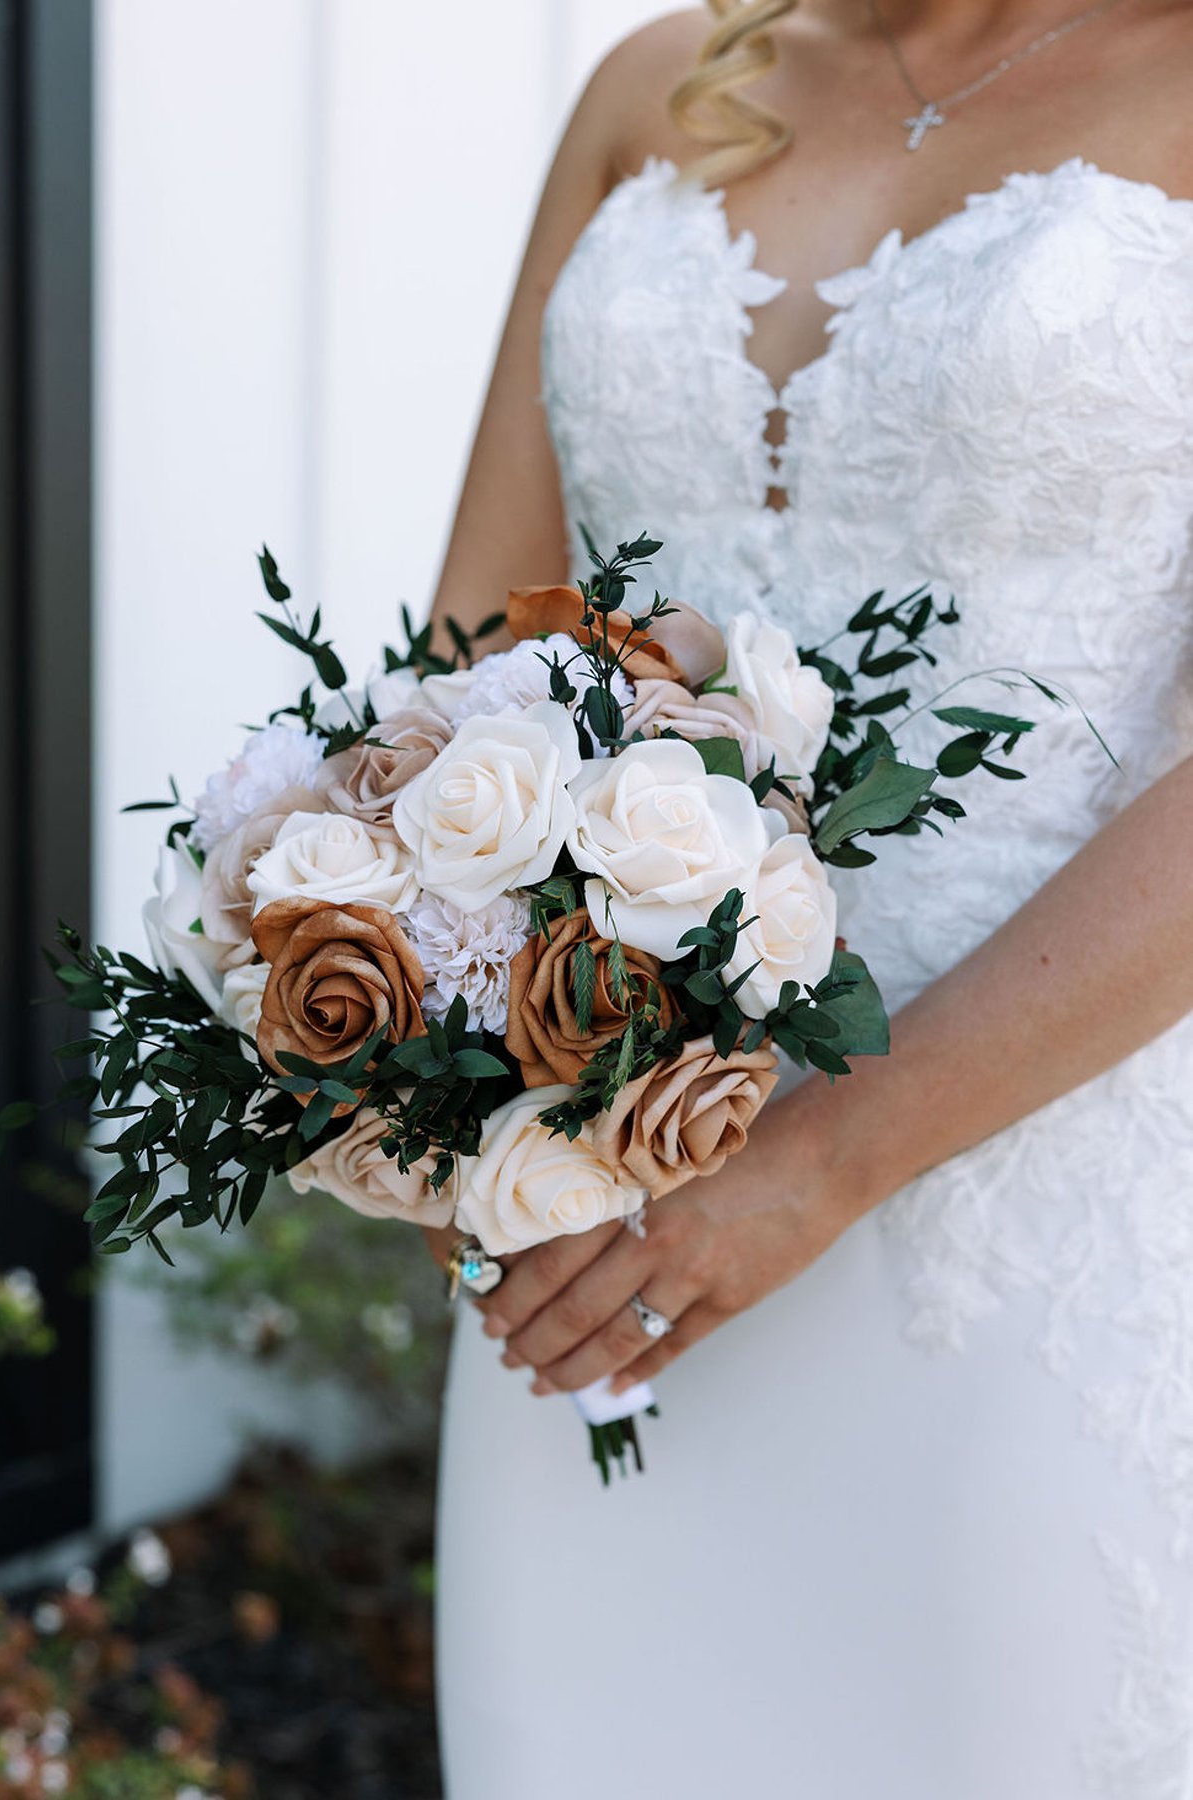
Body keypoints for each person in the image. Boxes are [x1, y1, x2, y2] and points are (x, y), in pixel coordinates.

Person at [423, 3, 1193, 1793]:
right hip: (591, 1227)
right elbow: (479, 640)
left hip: (1025, 1231)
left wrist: (825, 1157)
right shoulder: (660, 87)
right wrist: (453, 1088)